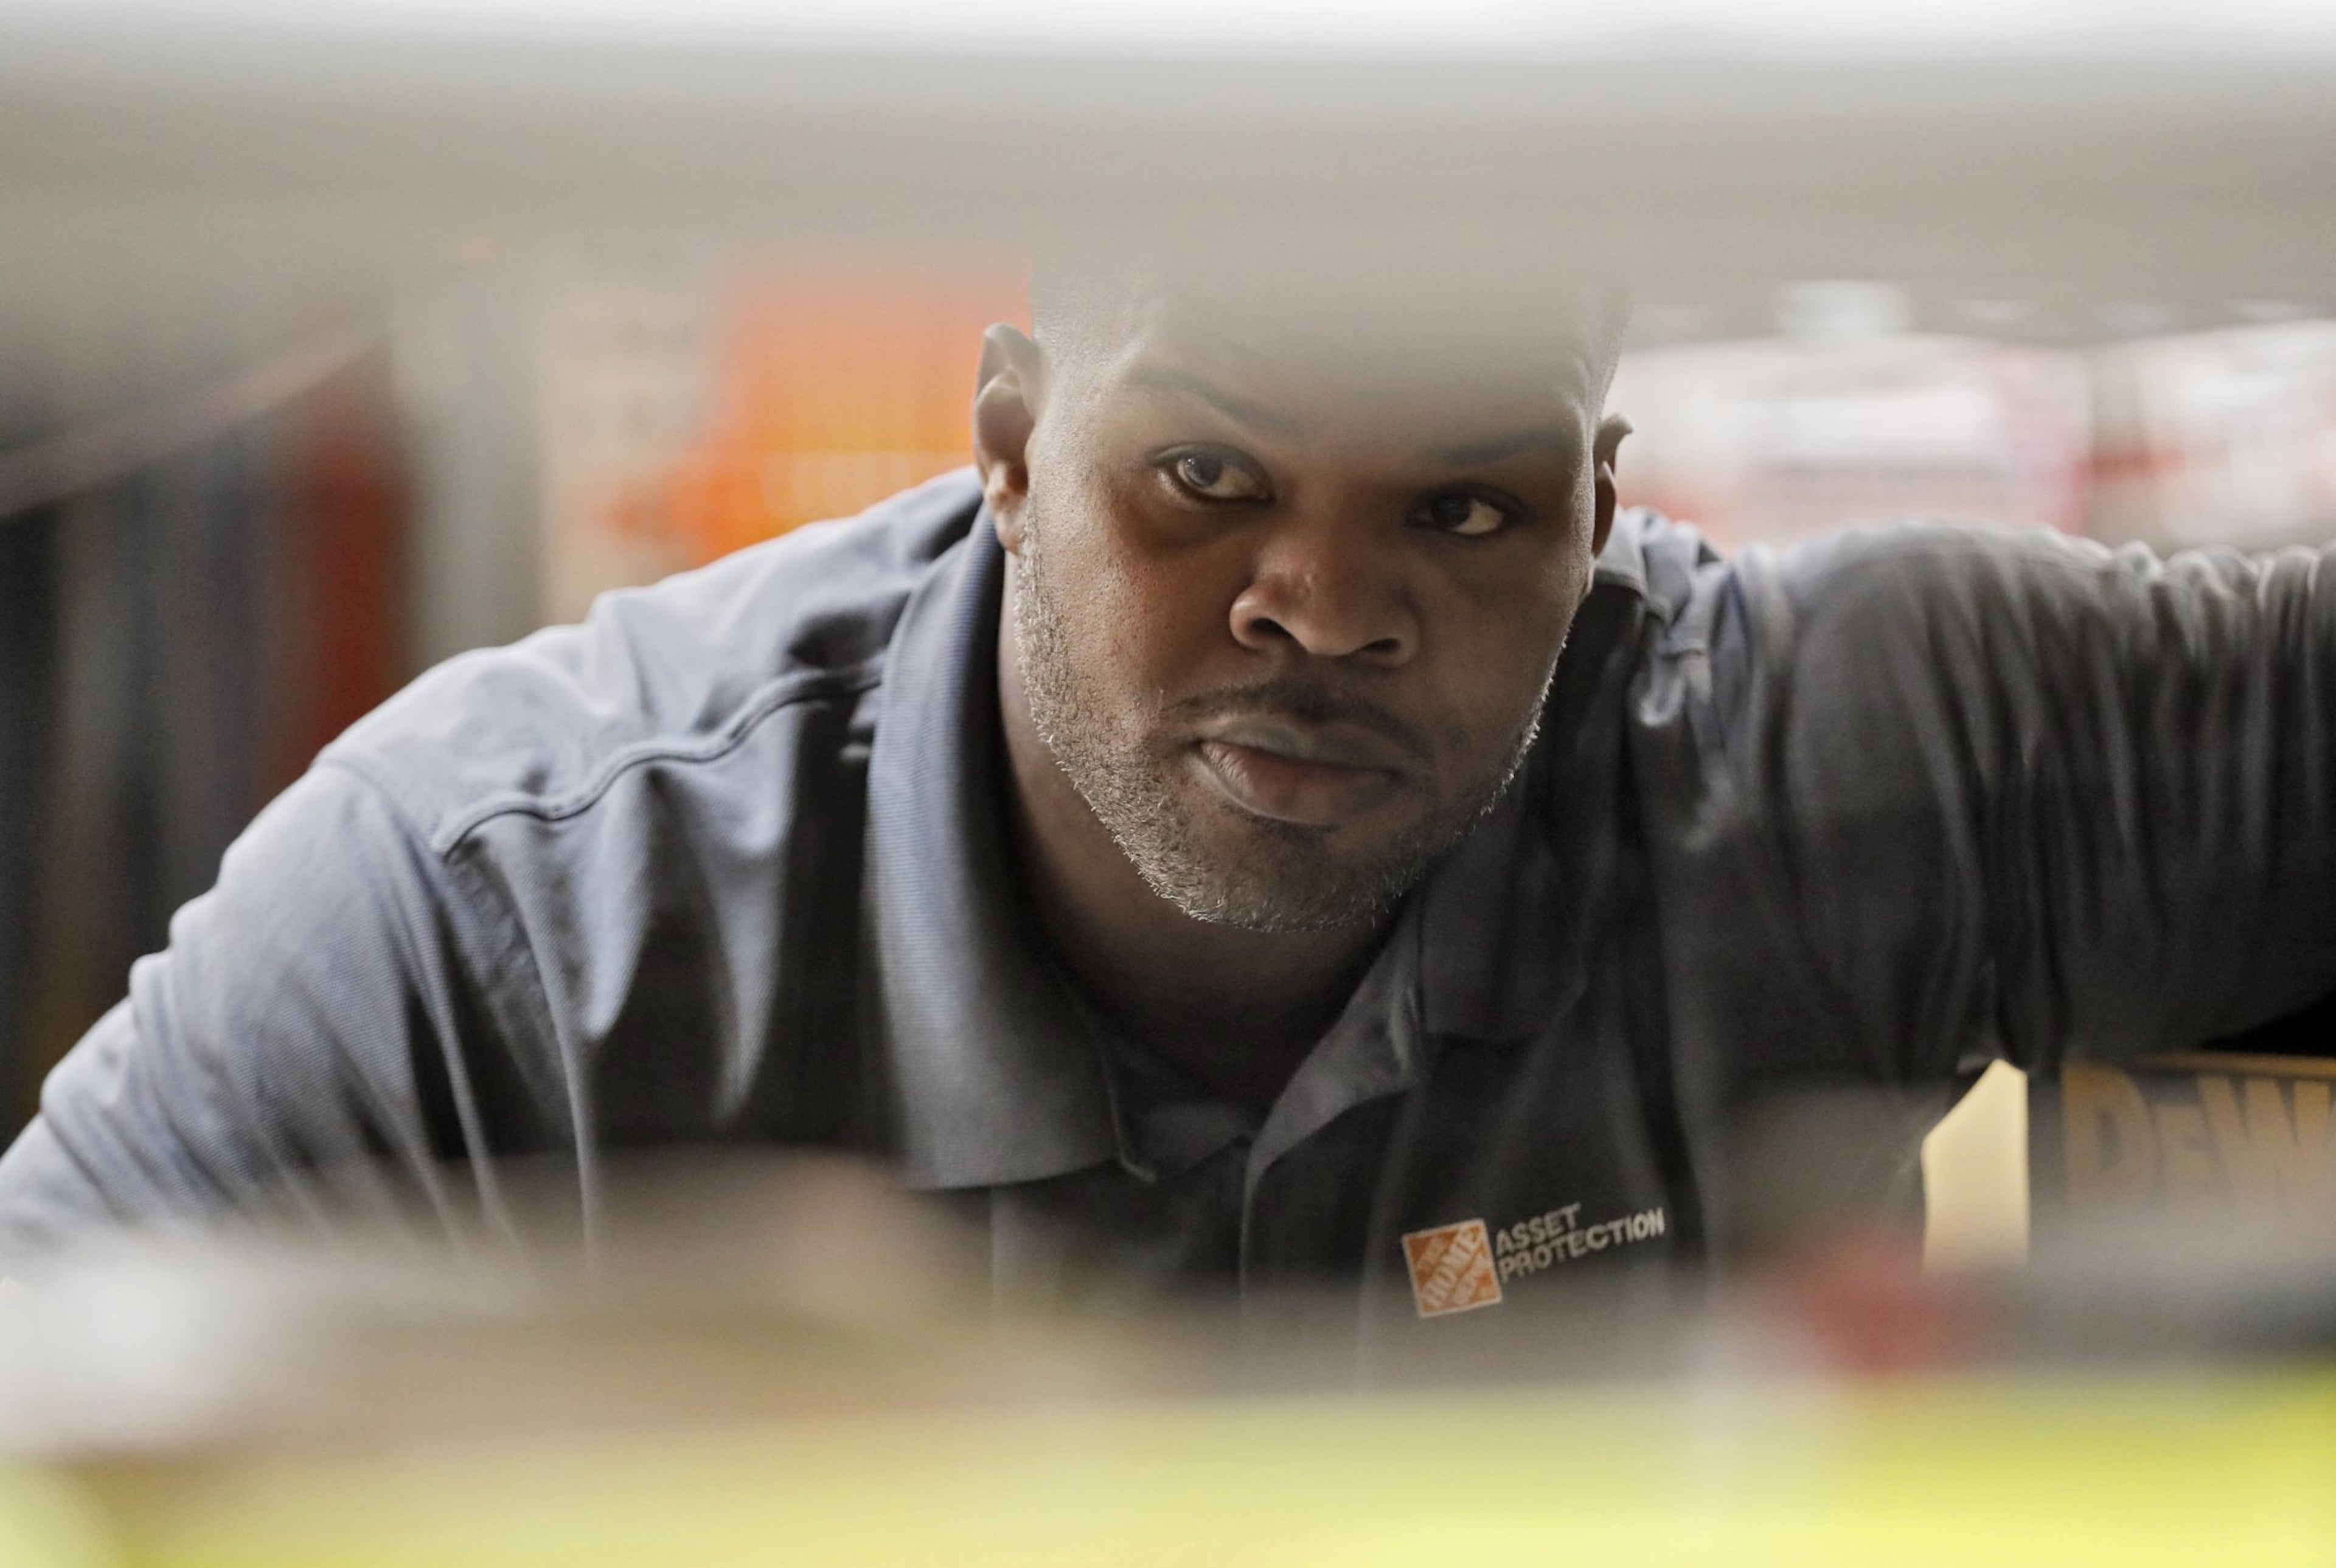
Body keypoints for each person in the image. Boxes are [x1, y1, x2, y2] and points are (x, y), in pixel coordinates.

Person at [1, 249, 2331, 1330]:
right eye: (1205, 470)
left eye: (1469, 507)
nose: (1323, 601)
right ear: (1010, 442)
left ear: (1604, 520)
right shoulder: (511, 904)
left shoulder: (1816, 756)